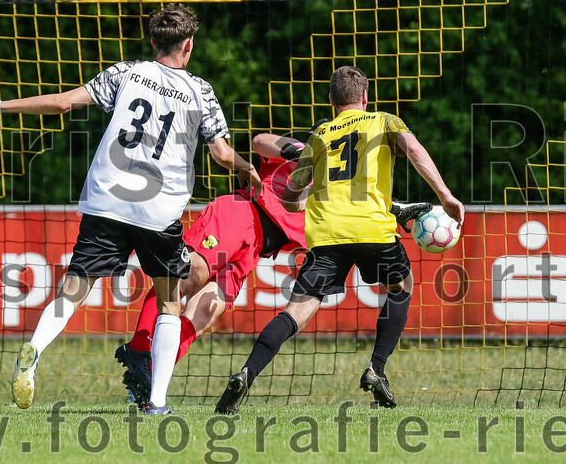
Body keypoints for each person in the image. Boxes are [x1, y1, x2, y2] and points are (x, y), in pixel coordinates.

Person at [0, 3, 261, 414]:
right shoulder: (199, 91)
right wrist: (247, 169)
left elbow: (63, 103)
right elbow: (221, 153)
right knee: (170, 302)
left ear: (154, 41)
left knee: (74, 289)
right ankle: (156, 403)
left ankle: (34, 348)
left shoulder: (126, 73)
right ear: (188, 45)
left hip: (108, 200)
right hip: (158, 210)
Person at [114, 132, 432, 407]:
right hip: (240, 214)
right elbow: (259, 142)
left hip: (254, 249)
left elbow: (366, 214)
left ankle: (150, 376)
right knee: (184, 278)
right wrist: (296, 152)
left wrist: (398, 212)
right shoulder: (302, 154)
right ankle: (140, 352)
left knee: (206, 312)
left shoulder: (337, 197)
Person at [215, 66, 464, 413]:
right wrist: (446, 195)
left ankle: (246, 372)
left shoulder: (320, 134)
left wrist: (307, 194)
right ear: (365, 97)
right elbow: (415, 150)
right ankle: (376, 368)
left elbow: (290, 195)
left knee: (296, 311)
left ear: (332, 101)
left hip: (326, 236)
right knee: (401, 285)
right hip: (373, 230)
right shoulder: (384, 120)